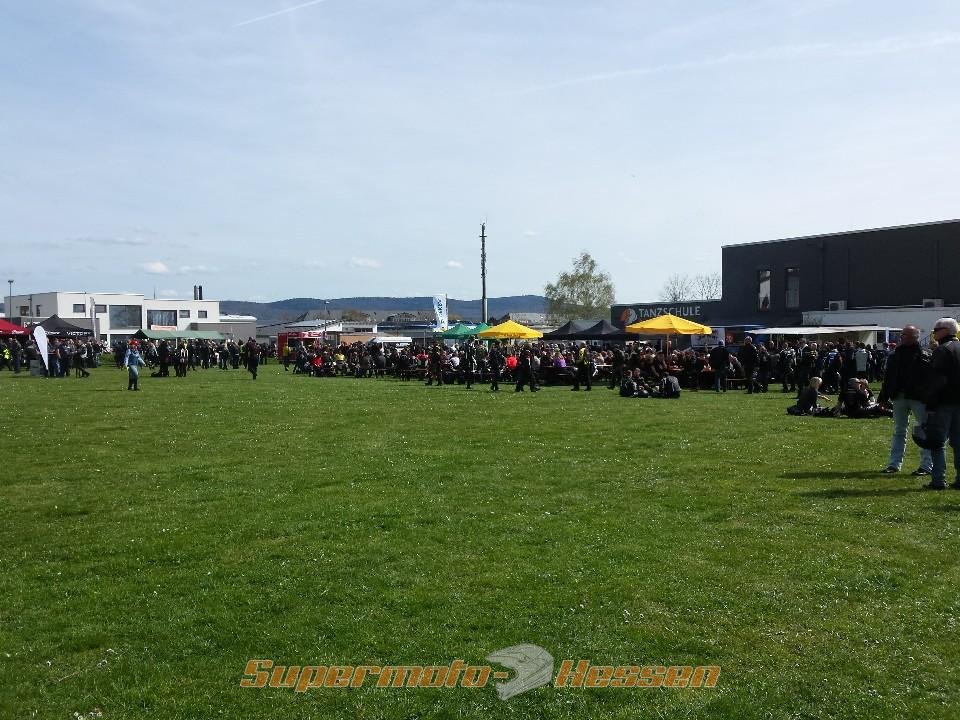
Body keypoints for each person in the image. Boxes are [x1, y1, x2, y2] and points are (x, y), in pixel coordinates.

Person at [877, 325, 932, 475]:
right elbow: (888, 378)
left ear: (915, 337)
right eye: (902, 334)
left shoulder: (925, 354)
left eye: (905, 334)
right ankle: (894, 464)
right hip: (899, 396)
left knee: (924, 431)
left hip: (918, 398)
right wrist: (883, 398)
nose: (901, 337)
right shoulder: (894, 354)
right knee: (899, 430)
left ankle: (926, 466)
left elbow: (930, 379)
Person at [922, 318, 960, 490]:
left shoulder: (942, 350)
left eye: (936, 329)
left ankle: (938, 480)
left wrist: (930, 404)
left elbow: (938, 379)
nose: (934, 332)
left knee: (937, 442)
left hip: (944, 402)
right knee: (958, 442)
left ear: (946, 331)